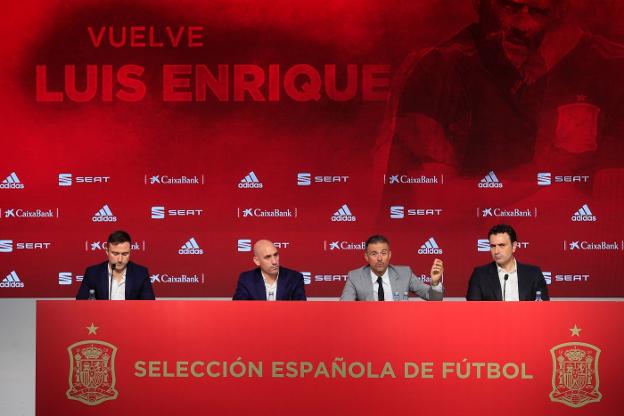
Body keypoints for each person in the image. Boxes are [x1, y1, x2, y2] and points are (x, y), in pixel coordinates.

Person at [381, 0, 624, 178]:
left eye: (537, 11)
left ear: (561, 11)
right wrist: (544, 177)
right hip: (457, 241)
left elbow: (610, 209)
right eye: (509, 6)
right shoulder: (438, 68)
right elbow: (431, 203)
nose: (521, 24)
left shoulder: (611, 68)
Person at [340, 235, 444, 301]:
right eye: (374, 254)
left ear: (389, 255)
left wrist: (435, 283)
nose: (380, 258)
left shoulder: (405, 274)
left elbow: (434, 299)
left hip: (399, 325)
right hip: (367, 326)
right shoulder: (355, 277)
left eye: (383, 253)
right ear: (366, 257)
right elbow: (344, 309)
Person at [466, 224, 549, 300]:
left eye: (501, 245)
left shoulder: (534, 274)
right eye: (493, 246)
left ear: (514, 246)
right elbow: (473, 310)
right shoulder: (480, 275)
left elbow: (544, 309)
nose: (496, 251)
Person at [76, 230, 155, 300]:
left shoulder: (141, 273)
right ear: (107, 251)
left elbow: (149, 306)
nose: (120, 259)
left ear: (130, 251)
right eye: (115, 253)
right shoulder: (92, 273)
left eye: (125, 254)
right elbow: (81, 305)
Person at [233, 239, 306, 300]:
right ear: (257, 261)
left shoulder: (295, 278)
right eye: (268, 257)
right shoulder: (246, 279)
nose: (274, 262)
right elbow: (239, 308)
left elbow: (301, 309)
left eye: (276, 255)